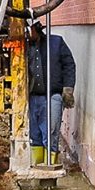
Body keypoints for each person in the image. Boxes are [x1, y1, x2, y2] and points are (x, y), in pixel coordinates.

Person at [26, 20, 76, 165]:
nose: (27, 34)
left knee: (51, 132)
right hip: (32, 96)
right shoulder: (23, 47)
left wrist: (68, 88)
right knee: (34, 134)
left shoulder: (55, 43)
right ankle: (37, 165)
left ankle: (50, 168)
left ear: (37, 29)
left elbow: (69, 65)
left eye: (29, 30)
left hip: (52, 95)